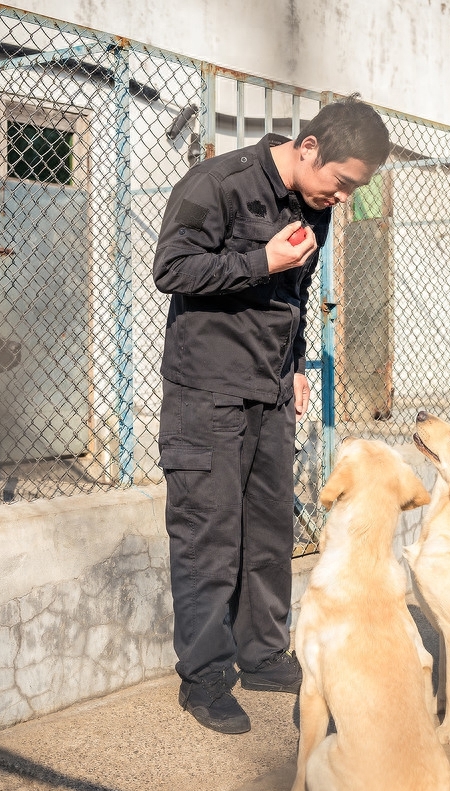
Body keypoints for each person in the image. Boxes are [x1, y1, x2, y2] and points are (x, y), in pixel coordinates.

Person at [153, 97, 391, 733]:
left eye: (352, 191)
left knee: (268, 533)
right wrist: (261, 260)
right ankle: (204, 678)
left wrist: (298, 364)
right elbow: (171, 268)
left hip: (271, 391)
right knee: (207, 537)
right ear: (309, 148)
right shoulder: (218, 183)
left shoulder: (314, 205)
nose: (341, 199)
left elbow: (296, 291)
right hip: (206, 390)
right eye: (341, 183)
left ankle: (261, 655)